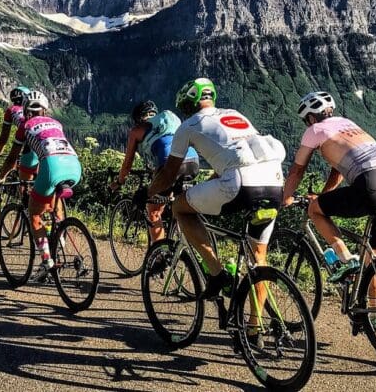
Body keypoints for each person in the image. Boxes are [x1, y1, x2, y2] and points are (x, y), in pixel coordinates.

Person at [147, 78, 287, 299]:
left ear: (188, 103)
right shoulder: (235, 114)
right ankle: (252, 329)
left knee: (180, 208)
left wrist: (146, 193)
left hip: (240, 184)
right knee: (258, 260)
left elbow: (167, 175)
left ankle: (217, 273)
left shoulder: (189, 125)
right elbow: (240, 154)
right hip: (276, 182)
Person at [282, 90, 376, 330]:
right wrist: (324, 194)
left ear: (309, 118)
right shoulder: (349, 124)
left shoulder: (315, 131)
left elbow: (297, 170)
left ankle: (345, 258)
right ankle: (374, 314)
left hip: (371, 184)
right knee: (373, 257)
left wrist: (285, 198)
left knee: (315, 211)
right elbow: (338, 169)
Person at [0, 90, 82, 281]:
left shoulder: (25, 125)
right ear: (45, 110)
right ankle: (60, 235)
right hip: (75, 165)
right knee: (53, 200)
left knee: (34, 212)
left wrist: (0, 177)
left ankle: (46, 260)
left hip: (52, 166)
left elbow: (12, 159)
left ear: (26, 110)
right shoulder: (56, 122)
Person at [109, 100, 200, 242]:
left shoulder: (137, 130)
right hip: (193, 160)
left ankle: (159, 257)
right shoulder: (167, 121)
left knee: (154, 212)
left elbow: (127, 165)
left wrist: (119, 181)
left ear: (138, 118)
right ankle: (189, 245)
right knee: (180, 206)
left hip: (170, 164)